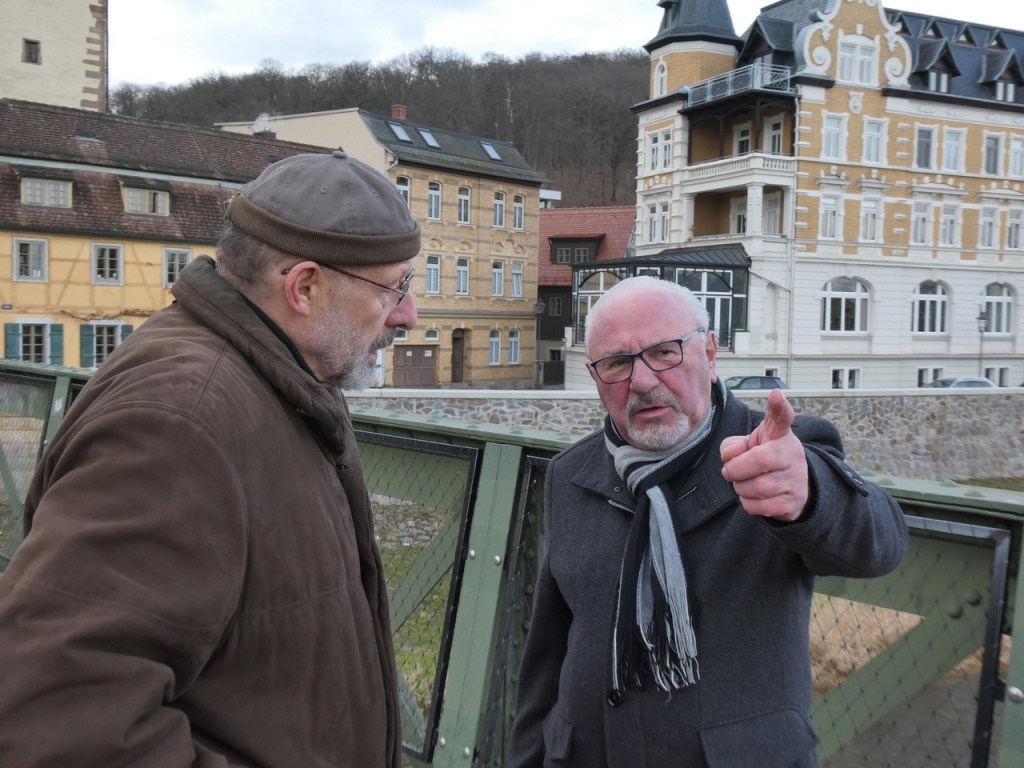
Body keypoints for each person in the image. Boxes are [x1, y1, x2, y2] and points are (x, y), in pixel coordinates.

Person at [0, 150, 419, 767]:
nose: (407, 315)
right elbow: (57, 711)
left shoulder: (279, 381)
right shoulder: (181, 421)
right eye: (394, 289)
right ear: (305, 287)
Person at [508, 276, 908, 768]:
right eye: (616, 363)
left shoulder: (772, 452)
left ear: (711, 352)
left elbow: (880, 544)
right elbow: (546, 655)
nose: (642, 381)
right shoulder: (572, 474)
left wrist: (809, 495)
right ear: (595, 377)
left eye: (664, 352)